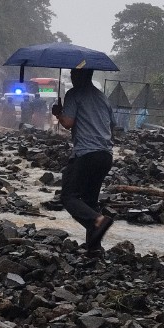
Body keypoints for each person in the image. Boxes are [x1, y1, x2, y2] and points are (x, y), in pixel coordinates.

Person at [51, 67, 118, 252]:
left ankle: (98, 220)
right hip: (105, 155)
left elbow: (68, 122)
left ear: (83, 75)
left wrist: (58, 112)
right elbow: (113, 126)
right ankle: (94, 246)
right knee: (90, 200)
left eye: (75, 73)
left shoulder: (74, 93)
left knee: (68, 196)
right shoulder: (102, 97)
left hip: (86, 153)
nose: (72, 76)